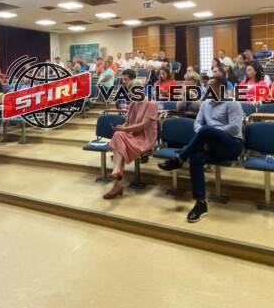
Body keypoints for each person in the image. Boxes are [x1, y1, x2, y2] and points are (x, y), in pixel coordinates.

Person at [158, 76, 243, 223]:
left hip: (231, 145)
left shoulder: (232, 103)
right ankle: (200, 203)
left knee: (206, 130)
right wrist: (207, 136)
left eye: (212, 85)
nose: (207, 88)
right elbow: (197, 124)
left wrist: (210, 134)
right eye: (207, 85)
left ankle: (180, 159)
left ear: (221, 87)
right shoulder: (205, 104)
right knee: (196, 157)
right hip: (211, 146)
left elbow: (235, 127)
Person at [102, 80, 158, 199]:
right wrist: (122, 127)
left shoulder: (151, 104)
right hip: (132, 135)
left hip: (144, 138)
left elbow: (143, 125)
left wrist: (125, 129)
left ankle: (117, 183)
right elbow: (128, 122)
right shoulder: (133, 104)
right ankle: (117, 175)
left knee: (119, 140)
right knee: (118, 135)